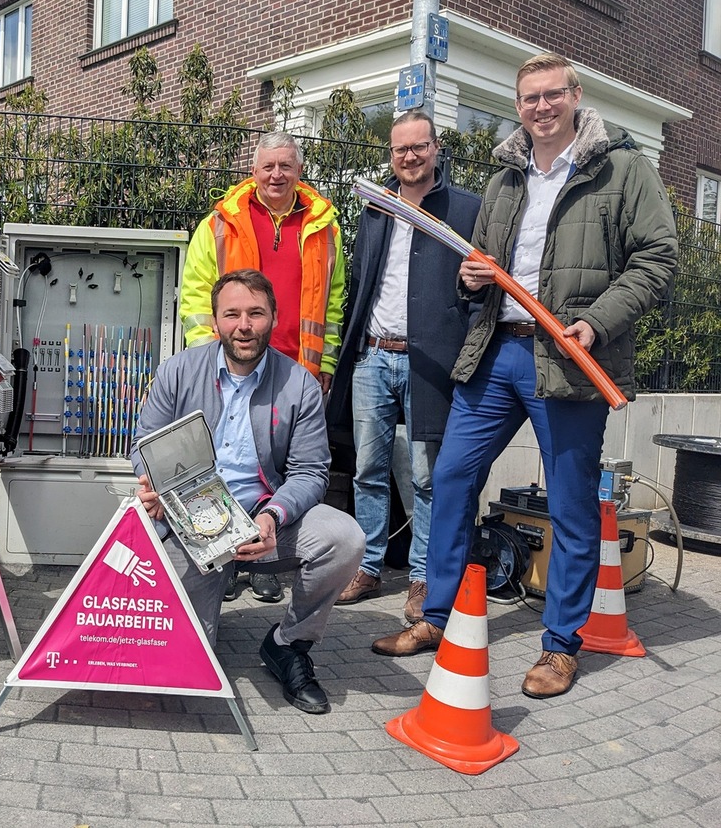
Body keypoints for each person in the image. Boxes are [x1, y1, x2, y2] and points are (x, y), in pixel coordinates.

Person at [372, 53, 677, 699]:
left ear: (575, 95)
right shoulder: (507, 177)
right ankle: (436, 617)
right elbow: (479, 268)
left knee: (569, 508)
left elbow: (657, 259)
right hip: (497, 352)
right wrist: (469, 277)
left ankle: (560, 646)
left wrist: (595, 322)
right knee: (451, 479)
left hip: (567, 359)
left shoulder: (621, 169)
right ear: (518, 107)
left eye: (552, 95)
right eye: (530, 98)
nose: (541, 107)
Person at [132, 270, 364, 715]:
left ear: (273, 318)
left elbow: (312, 470)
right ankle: (213, 590)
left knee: (344, 539)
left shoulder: (300, 384)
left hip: (264, 513)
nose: (244, 325)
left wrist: (274, 515)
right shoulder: (178, 370)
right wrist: (157, 489)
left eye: (256, 313)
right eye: (232, 314)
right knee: (185, 657)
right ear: (216, 321)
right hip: (191, 519)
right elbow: (144, 444)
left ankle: (288, 645)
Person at [180, 131, 347, 605]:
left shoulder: (325, 226)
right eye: (267, 167)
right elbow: (195, 294)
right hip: (235, 363)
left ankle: (264, 562)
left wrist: (325, 361)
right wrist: (209, 356)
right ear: (253, 171)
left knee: (276, 467)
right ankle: (226, 557)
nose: (276, 175)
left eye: (286, 167)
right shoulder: (220, 222)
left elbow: (332, 303)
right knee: (230, 460)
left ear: (299, 171)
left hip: (297, 369)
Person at [328, 112, 481, 622]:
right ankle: (367, 566)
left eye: (419, 147)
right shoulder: (376, 206)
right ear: (390, 154)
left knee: (426, 477)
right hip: (373, 355)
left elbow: (476, 288)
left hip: (429, 362)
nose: (409, 157)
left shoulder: (464, 209)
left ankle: (422, 577)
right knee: (368, 470)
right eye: (400, 150)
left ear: (437, 149)